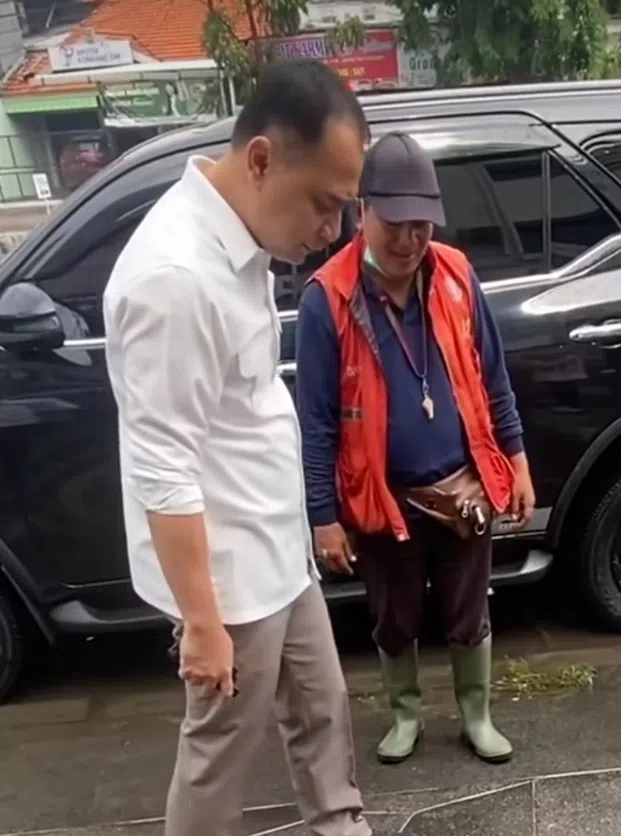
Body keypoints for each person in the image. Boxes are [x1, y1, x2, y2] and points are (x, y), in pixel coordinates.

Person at [104, 61, 386, 836]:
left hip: (277, 547)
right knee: (220, 754)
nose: (334, 232)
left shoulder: (243, 238)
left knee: (322, 710)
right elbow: (163, 468)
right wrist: (202, 623)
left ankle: (341, 825)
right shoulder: (174, 278)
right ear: (261, 159)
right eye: (325, 205)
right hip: (228, 576)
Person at [295, 131, 536, 765]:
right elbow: (315, 421)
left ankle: (477, 715)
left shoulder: (455, 274)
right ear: (362, 212)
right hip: (383, 497)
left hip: (465, 485)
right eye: (394, 224)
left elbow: (494, 377)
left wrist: (516, 461)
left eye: (421, 226)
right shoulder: (328, 297)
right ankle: (404, 715)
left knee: (468, 609)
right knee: (394, 617)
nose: (408, 241)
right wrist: (322, 516)